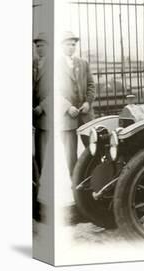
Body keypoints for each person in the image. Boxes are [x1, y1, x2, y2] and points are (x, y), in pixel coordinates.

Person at [58, 31, 96, 177]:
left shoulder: (83, 63)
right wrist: (67, 107)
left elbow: (91, 85)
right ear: (62, 46)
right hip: (67, 117)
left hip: (85, 115)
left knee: (92, 146)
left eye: (73, 44)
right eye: (68, 44)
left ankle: (93, 178)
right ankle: (75, 182)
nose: (71, 47)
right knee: (70, 152)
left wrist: (88, 102)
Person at [32, 31, 49, 221]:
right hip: (33, 120)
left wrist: (41, 107)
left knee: (42, 165)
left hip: (44, 120)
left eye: (41, 45)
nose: (39, 49)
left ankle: (41, 208)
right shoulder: (33, 65)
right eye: (36, 46)